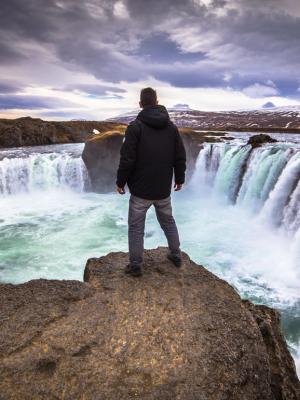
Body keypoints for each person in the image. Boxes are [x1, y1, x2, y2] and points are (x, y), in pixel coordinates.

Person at [116, 87, 186, 276]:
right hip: (163, 189)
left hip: (140, 190)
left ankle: (136, 266)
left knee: (136, 228)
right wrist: (179, 179)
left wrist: (120, 181)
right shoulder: (171, 128)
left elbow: (127, 158)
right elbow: (180, 156)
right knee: (168, 222)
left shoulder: (135, 127)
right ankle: (176, 255)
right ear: (157, 102)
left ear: (140, 104)